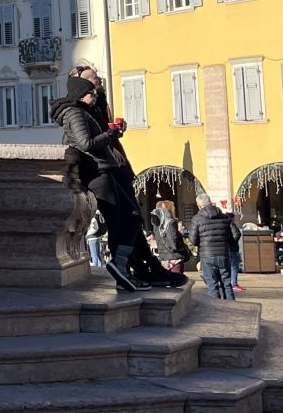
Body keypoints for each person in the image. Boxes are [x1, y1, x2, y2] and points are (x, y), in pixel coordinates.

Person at [52, 76, 184, 294]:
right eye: (91, 92)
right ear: (80, 94)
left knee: (130, 217)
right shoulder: (75, 113)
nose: (95, 96)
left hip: (102, 170)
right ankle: (121, 266)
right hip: (97, 173)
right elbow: (85, 143)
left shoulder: (82, 112)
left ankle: (124, 267)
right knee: (121, 220)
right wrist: (109, 134)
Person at [191, 192, 238, 299]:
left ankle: (216, 310)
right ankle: (233, 309)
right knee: (227, 284)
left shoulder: (197, 219)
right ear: (210, 203)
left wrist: (202, 244)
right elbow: (236, 234)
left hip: (207, 256)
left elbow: (193, 240)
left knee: (212, 285)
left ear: (199, 205)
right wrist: (227, 242)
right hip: (223, 254)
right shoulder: (225, 217)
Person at [154, 200, 191, 275]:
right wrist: (183, 249)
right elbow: (173, 243)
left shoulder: (157, 225)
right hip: (174, 259)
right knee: (177, 283)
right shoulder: (170, 223)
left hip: (164, 258)